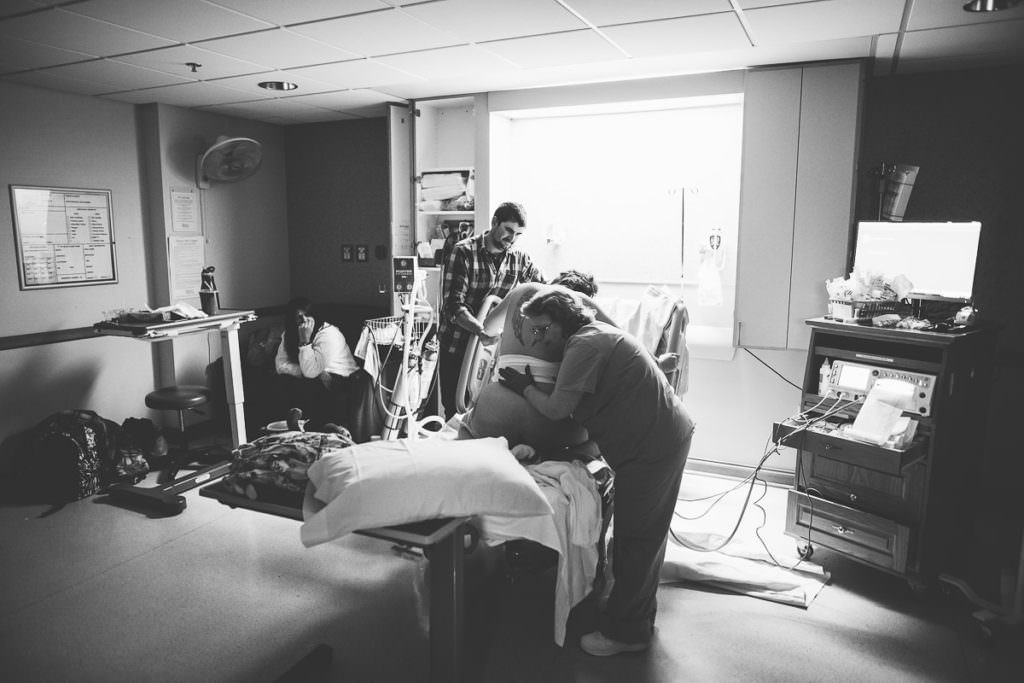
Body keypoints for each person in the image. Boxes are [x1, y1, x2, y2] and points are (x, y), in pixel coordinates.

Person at [497, 288, 695, 657]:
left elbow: (557, 410)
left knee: (637, 540)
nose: (538, 339)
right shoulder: (596, 336)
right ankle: (632, 613)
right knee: (640, 537)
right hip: (656, 440)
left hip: (653, 449)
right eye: (532, 332)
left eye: (542, 330)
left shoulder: (583, 347)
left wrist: (525, 387)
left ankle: (628, 633)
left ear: (562, 320)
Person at [459, 271, 610, 451]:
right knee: (596, 439)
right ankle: (558, 457)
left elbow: (487, 330)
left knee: (465, 426)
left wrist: (507, 337)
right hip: (547, 424)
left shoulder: (521, 290)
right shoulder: (580, 301)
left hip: (496, 409)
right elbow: (619, 339)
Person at [438, 201, 544, 419]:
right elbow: (453, 305)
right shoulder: (463, 252)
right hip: (457, 345)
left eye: (518, 234)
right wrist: (480, 330)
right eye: (508, 230)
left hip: (493, 352)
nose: (512, 239)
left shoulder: (520, 259)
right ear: (495, 222)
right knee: (454, 409)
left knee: (486, 413)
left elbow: (542, 289)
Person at [274, 297, 360, 432]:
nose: (303, 320)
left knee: (311, 384)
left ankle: (321, 428)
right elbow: (280, 364)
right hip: (316, 374)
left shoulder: (329, 334)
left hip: (340, 377)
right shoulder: (289, 333)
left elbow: (311, 372)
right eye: (298, 317)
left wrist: (305, 341)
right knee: (283, 380)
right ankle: (294, 426)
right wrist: (307, 371)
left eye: (307, 315)